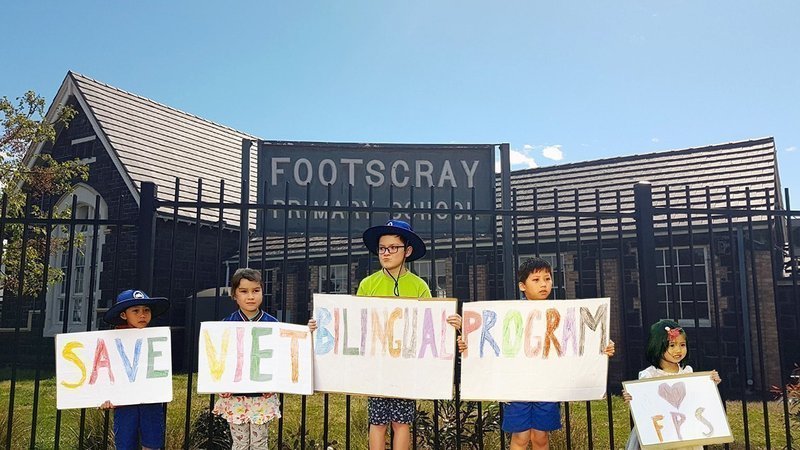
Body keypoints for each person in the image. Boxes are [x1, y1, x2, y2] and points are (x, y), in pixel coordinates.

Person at [308, 219, 465, 450]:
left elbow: (429, 324)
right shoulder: (368, 284)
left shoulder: (419, 285)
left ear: (407, 250)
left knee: (401, 423)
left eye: (393, 247)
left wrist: (452, 321)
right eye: (382, 248)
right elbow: (354, 322)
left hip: (406, 367)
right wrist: (321, 326)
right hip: (377, 366)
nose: (386, 252)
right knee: (378, 422)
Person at [503, 257, 616, 450]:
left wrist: (602, 345)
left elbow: (578, 338)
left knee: (541, 438)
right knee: (520, 438)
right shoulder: (510, 313)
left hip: (547, 385)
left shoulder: (562, 313)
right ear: (522, 286)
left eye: (547, 279)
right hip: (518, 387)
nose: (543, 285)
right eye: (536, 280)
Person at [622, 319, 722, 450]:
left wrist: (710, 384)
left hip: (685, 432)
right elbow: (644, 404)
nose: (678, 350)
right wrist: (632, 398)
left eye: (682, 345)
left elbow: (696, 398)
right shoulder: (649, 375)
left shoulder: (688, 371)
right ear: (658, 346)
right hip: (659, 432)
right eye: (672, 345)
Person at [211, 268, 281, 450]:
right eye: (244, 291)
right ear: (234, 294)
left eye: (255, 290)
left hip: (262, 396)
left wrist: (274, 384)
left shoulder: (273, 324)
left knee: (259, 443)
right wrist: (221, 384)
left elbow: (280, 358)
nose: (250, 296)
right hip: (235, 397)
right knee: (240, 443)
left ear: (262, 292)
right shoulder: (226, 325)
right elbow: (220, 359)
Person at [99, 289, 171, 450]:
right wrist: (103, 395)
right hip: (124, 404)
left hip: (151, 402)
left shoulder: (157, 340)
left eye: (146, 310)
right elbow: (105, 372)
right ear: (124, 315)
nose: (142, 315)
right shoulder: (112, 341)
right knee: (125, 443)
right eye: (135, 311)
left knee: (153, 443)